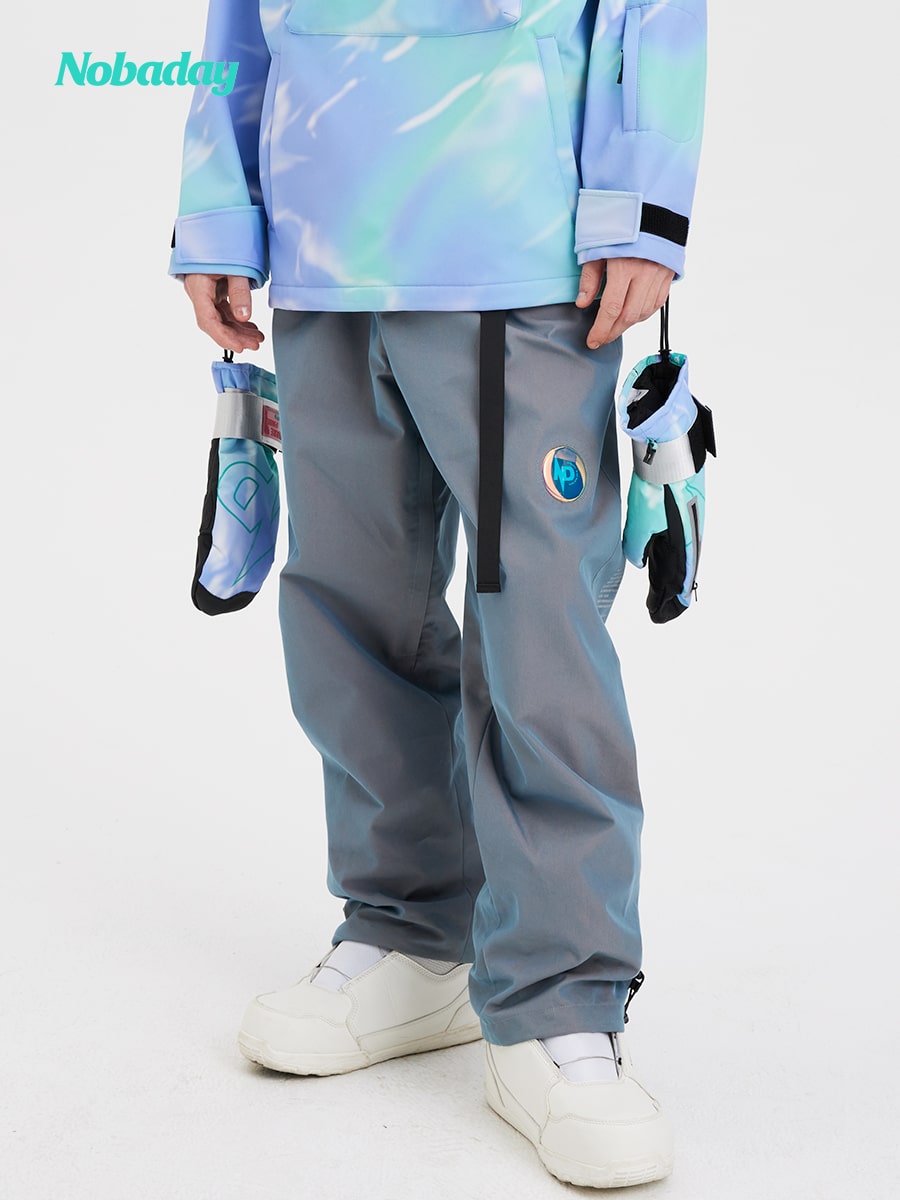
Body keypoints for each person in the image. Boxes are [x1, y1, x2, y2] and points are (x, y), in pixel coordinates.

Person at [171, 1, 706, 1188]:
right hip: (321, 242)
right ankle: (413, 932)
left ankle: (560, 995)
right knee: (351, 609)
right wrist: (220, 203)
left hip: (521, 236)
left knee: (540, 629)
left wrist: (642, 203)